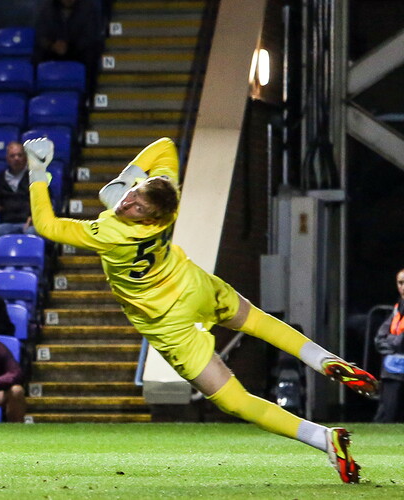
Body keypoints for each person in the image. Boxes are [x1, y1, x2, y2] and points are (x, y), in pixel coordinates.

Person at [23, 136, 379, 483]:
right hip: (191, 284)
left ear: (148, 220)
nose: (127, 204)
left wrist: (38, 172)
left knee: (235, 401)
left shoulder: (108, 232)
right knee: (257, 320)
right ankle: (325, 360)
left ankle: (322, 438)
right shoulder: (166, 206)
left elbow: (47, 225)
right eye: (132, 196)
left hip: (166, 321)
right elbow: (165, 146)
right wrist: (131, 177)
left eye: (137, 207)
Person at [33, 0, 103, 96]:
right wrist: (53, 45)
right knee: (37, 55)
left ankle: (88, 98)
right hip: (53, 50)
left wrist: (70, 46)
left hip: (77, 51)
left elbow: (90, 35)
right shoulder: (47, 9)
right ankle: (37, 96)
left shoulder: (88, 9)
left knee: (92, 53)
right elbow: (41, 35)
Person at [0, 141, 36, 242]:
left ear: (25, 158)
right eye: (12, 156)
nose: (16, 158)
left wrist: (34, 217)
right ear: (7, 159)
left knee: (31, 233)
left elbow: (45, 200)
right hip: (8, 223)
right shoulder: (1, 177)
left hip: (29, 223)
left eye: (19, 155)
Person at [374, 268, 404, 423]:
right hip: (394, 367)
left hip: (397, 362)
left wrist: (392, 342)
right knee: (387, 412)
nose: (403, 287)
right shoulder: (397, 308)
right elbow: (380, 338)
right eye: (400, 283)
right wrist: (393, 342)